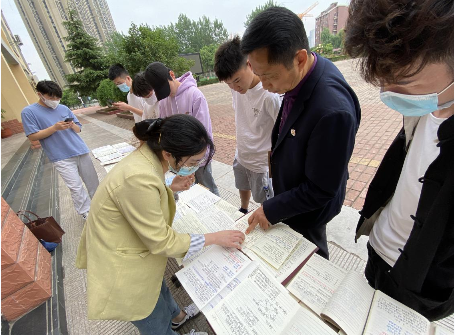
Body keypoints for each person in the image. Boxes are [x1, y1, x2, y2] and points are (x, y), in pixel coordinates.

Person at [76, 114, 245, 335]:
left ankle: (177, 317)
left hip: (132, 249)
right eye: (192, 162)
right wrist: (213, 237)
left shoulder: (146, 159)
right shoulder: (138, 178)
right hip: (122, 263)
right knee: (151, 317)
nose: (194, 169)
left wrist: (170, 187)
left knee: (158, 287)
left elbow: (143, 199)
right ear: (168, 154)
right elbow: (160, 240)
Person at [344, 0, 453, 321]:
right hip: (378, 248)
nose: (390, 95)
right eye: (382, 83)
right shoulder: (427, 105)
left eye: (404, 85)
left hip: (422, 283)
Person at [241, 7, 361, 259]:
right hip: (292, 189)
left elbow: (320, 190)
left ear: (300, 59)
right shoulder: (303, 75)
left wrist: (271, 209)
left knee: (309, 254)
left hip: (310, 207)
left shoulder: (331, 111)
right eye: (259, 75)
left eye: (270, 76)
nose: (264, 85)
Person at [214, 36, 281, 213]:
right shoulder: (236, 89)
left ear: (250, 65)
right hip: (241, 154)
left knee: (264, 201)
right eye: (229, 84)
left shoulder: (269, 96)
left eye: (236, 80)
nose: (234, 87)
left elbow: (282, 132)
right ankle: (243, 209)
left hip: (260, 163)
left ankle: (266, 217)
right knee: (242, 185)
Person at [136, 62, 220, 196]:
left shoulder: (194, 95)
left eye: (165, 87)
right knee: (188, 189)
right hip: (178, 158)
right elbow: (165, 130)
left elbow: (204, 132)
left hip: (198, 157)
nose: (166, 93)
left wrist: (194, 162)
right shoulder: (164, 100)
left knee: (207, 187)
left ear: (172, 75)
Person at [21, 80, 99, 220]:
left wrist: (71, 125)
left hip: (80, 149)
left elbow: (78, 128)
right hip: (60, 156)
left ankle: (101, 205)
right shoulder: (29, 112)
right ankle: (86, 213)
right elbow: (32, 136)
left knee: (93, 181)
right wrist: (54, 128)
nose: (55, 100)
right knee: (75, 187)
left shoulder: (63, 108)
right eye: (51, 98)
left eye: (57, 97)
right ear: (40, 94)